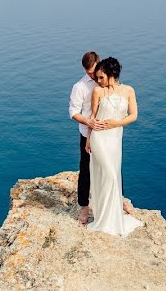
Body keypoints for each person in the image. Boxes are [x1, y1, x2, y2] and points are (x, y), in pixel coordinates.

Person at [85, 57, 142, 237]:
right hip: (99, 138)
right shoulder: (97, 92)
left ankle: (113, 217)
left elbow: (133, 116)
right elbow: (92, 118)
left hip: (115, 139)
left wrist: (115, 123)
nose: (98, 81)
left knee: (113, 174)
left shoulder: (128, 91)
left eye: (102, 77)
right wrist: (88, 139)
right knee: (110, 175)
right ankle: (104, 219)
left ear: (112, 75)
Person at [69, 51, 104, 225]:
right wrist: (88, 121)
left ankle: (116, 199)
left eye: (93, 71)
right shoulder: (80, 87)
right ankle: (84, 205)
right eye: (88, 72)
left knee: (111, 166)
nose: (92, 75)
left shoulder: (107, 79)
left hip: (107, 132)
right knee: (86, 170)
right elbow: (73, 112)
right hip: (87, 134)